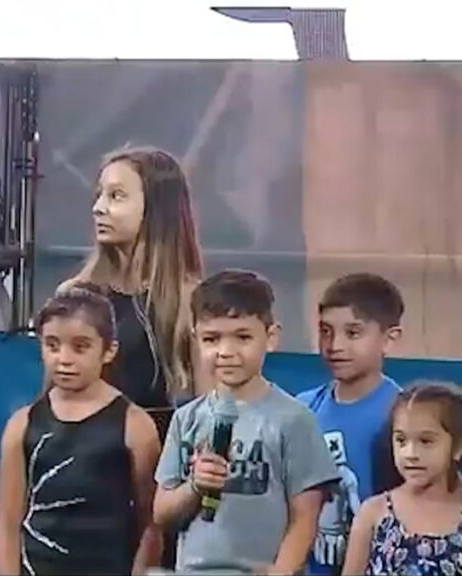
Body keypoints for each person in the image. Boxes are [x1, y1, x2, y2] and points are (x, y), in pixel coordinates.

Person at [60, 145, 204, 567]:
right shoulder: (75, 297)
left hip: (159, 484)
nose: (99, 208)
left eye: (117, 196)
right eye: (99, 195)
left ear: (155, 210)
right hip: (83, 482)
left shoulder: (192, 302)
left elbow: (210, 410)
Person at [153, 269, 339, 574]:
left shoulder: (293, 419)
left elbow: (305, 517)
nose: (226, 352)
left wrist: (281, 571)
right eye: (212, 339)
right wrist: (195, 486)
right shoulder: (186, 419)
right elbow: (162, 513)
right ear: (196, 340)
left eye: (242, 337)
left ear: (271, 337)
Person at [0, 283, 163, 575]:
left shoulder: (135, 426)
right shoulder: (22, 425)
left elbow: (151, 522)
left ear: (108, 350)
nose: (64, 359)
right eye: (52, 345)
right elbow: (9, 521)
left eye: (80, 347)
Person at [296, 273, 405, 575]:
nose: (335, 345)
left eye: (353, 333)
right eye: (326, 331)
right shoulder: (301, 409)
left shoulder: (404, 414)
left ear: (389, 338)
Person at [341, 380, 462, 575]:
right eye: (401, 440)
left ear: (458, 447)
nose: (410, 454)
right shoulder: (373, 513)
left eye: (425, 441)